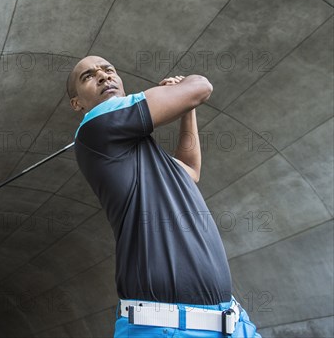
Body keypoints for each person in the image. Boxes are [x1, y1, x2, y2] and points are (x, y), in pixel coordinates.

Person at [67, 56, 261, 338]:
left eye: (109, 69)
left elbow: (190, 170)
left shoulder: (142, 154)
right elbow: (201, 88)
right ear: (77, 104)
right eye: (88, 76)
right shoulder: (96, 125)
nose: (103, 76)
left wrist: (188, 112)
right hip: (164, 328)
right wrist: (186, 85)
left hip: (233, 323)